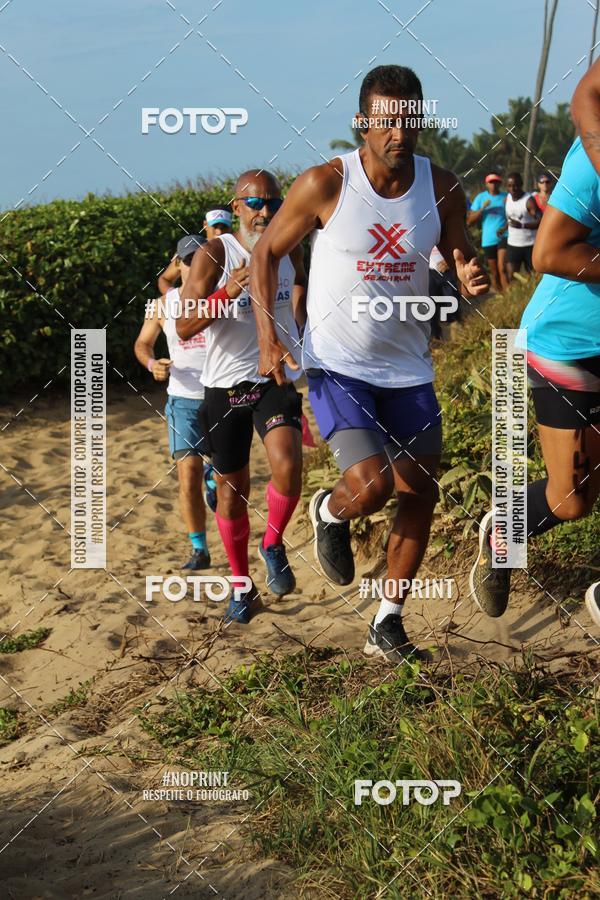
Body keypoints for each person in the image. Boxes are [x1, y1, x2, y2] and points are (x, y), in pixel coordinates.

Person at [252, 64, 489, 662]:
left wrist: (466, 267)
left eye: (408, 121)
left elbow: (455, 244)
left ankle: (387, 623)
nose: (398, 134)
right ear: (363, 123)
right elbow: (265, 252)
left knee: (420, 491)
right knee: (374, 485)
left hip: (409, 366)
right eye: (386, 122)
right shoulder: (325, 184)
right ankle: (330, 511)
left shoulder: (441, 186)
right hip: (339, 366)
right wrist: (268, 337)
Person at [469, 136, 600, 627]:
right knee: (572, 501)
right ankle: (506, 527)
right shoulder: (593, 154)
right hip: (567, 343)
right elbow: (548, 253)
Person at [176, 171, 307, 625]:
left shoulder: (291, 246)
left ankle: (272, 543)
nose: (265, 211)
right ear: (236, 208)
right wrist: (227, 291)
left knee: (289, 465)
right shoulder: (217, 252)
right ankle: (240, 587)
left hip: (272, 380)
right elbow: (184, 326)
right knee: (232, 495)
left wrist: (300, 337)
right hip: (225, 388)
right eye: (254, 203)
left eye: (273, 201)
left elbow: (302, 292)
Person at [134, 235, 213, 570]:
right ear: (178, 264)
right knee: (188, 475)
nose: (194, 265)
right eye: (187, 259)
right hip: (182, 398)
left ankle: (215, 475)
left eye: (200, 259)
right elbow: (142, 343)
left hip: (221, 395)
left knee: (225, 480)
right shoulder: (161, 305)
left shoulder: (222, 298)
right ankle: (199, 548)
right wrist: (153, 365)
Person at [157, 208, 233, 294]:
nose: (219, 232)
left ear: (231, 226)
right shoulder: (190, 249)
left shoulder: (239, 248)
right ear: (205, 225)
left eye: (224, 227)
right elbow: (164, 279)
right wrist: (174, 297)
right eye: (215, 226)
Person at [467, 173, 508, 293]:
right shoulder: (481, 198)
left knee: (503, 268)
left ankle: (508, 294)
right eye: (491, 182)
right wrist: (482, 208)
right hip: (488, 239)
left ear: (500, 183)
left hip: (504, 237)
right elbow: (470, 220)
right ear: (486, 184)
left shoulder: (506, 196)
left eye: (496, 182)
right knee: (494, 272)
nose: (494, 184)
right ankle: (501, 297)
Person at [499, 172, 541, 281]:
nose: (513, 188)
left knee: (534, 277)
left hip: (530, 245)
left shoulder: (528, 201)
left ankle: (530, 293)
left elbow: (540, 221)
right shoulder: (508, 198)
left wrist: (522, 225)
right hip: (513, 244)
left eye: (516, 185)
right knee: (511, 275)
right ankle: (516, 295)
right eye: (509, 186)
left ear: (521, 184)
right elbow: (512, 218)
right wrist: (504, 228)